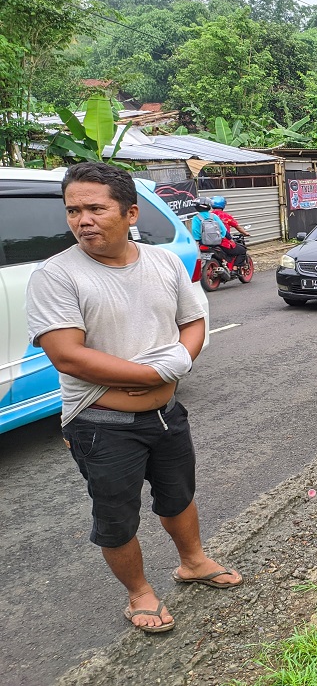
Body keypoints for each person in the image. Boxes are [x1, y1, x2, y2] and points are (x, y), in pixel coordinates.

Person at [25, 162, 242, 635]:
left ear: (130, 213)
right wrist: (153, 372)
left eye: (96, 209)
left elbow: (194, 321)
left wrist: (176, 364)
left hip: (166, 416)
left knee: (178, 497)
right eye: (74, 211)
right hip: (101, 425)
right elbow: (69, 356)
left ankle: (194, 562)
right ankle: (140, 592)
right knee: (117, 517)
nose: (83, 220)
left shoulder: (163, 261)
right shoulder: (56, 276)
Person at [191, 199, 242, 275]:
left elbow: (195, 231)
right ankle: (234, 269)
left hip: (203, 244)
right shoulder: (213, 216)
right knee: (241, 251)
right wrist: (229, 238)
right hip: (217, 243)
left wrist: (199, 240)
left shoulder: (196, 218)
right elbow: (223, 230)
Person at [209, 196, 251, 267]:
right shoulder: (226, 216)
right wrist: (245, 233)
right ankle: (235, 268)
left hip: (209, 242)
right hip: (223, 243)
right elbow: (237, 226)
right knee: (242, 250)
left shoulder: (208, 216)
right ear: (223, 205)